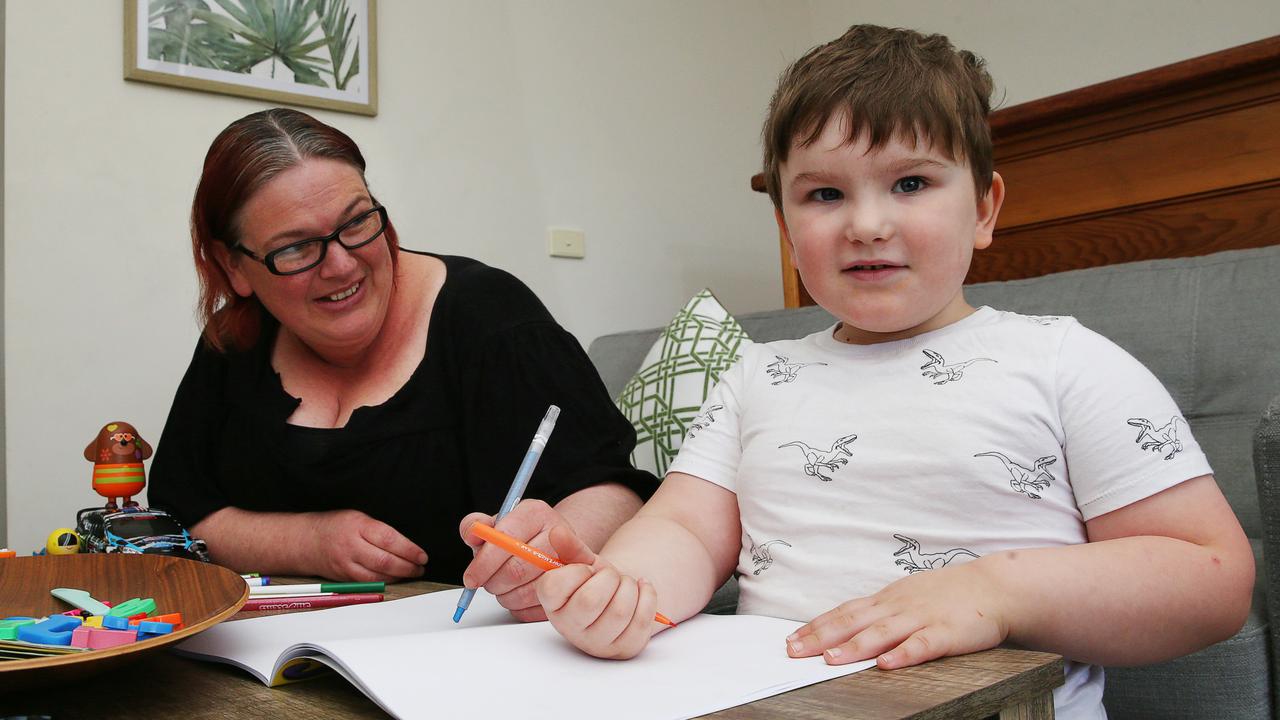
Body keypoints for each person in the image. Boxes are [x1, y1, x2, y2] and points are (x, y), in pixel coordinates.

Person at [523, 25, 1254, 717]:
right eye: (824, 194)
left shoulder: (1065, 359)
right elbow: (684, 528)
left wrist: (997, 593)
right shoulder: (756, 376)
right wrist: (624, 590)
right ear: (785, 226)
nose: (865, 223)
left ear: (985, 209)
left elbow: (1209, 577)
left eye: (910, 183)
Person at [148, 108, 657, 620]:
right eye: (298, 248)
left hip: (472, 649)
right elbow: (178, 512)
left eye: (357, 221)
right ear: (233, 265)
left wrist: (549, 552)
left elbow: (613, 492)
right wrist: (309, 542)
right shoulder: (235, 339)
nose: (343, 264)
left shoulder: (492, 318)